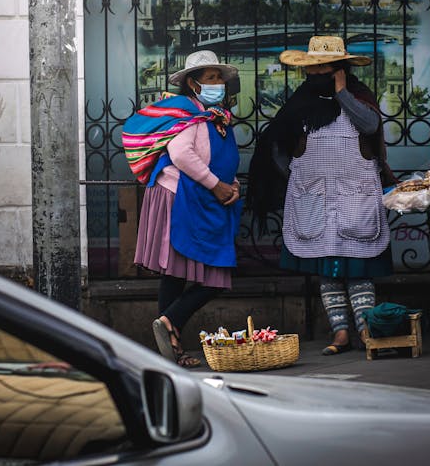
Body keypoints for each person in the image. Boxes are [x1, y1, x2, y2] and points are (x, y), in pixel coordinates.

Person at [247, 36, 396, 355]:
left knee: (359, 269)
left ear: (339, 69)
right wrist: (300, 180)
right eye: (313, 68)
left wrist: (341, 93)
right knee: (326, 272)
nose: (318, 73)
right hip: (314, 201)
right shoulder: (300, 104)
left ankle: (365, 329)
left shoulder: (358, 98)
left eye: (325, 67)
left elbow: (370, 127)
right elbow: (277, 148)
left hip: (356, 200)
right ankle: (340, 333)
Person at [122, 50, 242, 367]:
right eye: (212, 78)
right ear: (193, 83)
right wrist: (217, 185)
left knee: (179, 274)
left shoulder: (212, 115)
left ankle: (169, 333)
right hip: (178, 197)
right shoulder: (188, 114)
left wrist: (232, 185)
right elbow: (181, 154)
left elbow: (214, 159)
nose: (219, 83)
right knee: (199, 274)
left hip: (199, 197)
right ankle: (170, 332)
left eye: (220, 77)